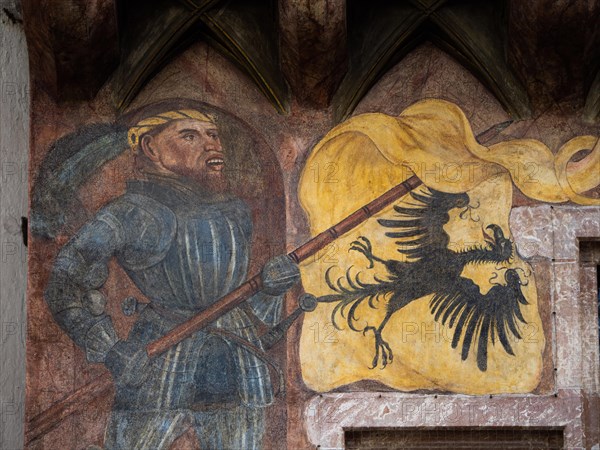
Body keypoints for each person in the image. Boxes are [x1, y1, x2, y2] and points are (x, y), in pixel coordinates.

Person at [44, 109, 300, 449]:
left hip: (237, 358)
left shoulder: (235, 211)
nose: (210, 144)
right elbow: (65, 283)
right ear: (151, 149)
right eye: (190, 135)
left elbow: (242, 304)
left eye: (213, 134)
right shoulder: (130, 213)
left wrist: (269, 289)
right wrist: (110, 349)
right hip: (157, 361)